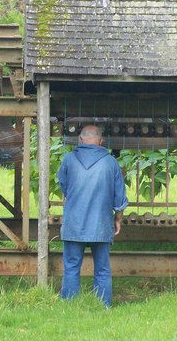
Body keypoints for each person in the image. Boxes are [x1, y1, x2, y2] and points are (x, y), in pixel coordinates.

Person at [57, 124, 128, 307]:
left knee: (72, 266)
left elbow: (64, 187)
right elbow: (119, 197)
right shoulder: (110, 162)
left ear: (80, 140)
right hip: (101, 224)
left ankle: (70, 307)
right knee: (102, 268)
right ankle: (103, 306)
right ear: (101, 141)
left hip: (74, 223)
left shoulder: (69, 160)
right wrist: (118, 219)